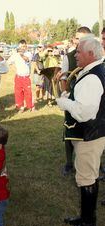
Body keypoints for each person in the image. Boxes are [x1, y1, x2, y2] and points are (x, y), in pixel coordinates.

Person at [56, 36, 105, 226]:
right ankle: (86, 218)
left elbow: (85, 113)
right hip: (91, 134)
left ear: (91, 54)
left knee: (87, 179)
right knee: (89, 177)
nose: (75, 55)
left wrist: (64, 102)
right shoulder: (95, 70)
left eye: (78, 52)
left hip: (89, 136)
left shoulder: (93, 76)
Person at [60, 26, 92, 176]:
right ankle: (68, 162)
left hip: (91, 97)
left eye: (84, 38)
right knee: (70, 128)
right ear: (74, 40)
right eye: (78, 38)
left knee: (93, 130)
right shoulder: (68, 56)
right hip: (73, 97)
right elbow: (64, 77)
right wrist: (65, 94)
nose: (80, 41)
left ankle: (95, 163)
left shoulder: (95, 54)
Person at [7, 39, 35, 112]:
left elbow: (27, 60)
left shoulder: (28, 54)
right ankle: (21, 107)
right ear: (19, 46)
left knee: (28, 92)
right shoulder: (15, 55)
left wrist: (21, 54)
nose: (23, 48)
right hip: (18, 77)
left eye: (25, 46)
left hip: (26, 77)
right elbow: (8, 62)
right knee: (18, 93)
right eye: (22, 46)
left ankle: (30, 107)